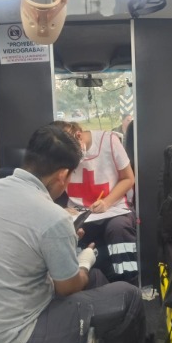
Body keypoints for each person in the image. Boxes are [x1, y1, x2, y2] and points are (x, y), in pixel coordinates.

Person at [0, 125, 160, 343]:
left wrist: (64, 244)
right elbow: (68, 287)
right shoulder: (52, 216)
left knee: (98, 280)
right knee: (129, 296)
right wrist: (84, 260)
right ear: (62, 175)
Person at [52, 120, 138, 284]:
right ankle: (86, 284)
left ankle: (128, 284)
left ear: (79, 136)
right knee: (70, 231)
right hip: (79, 211)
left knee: (118, 229)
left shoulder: (109, 141)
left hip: (114, 207)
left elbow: (128, 178)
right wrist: (59, 210)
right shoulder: (58, 153)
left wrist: (106, 202)